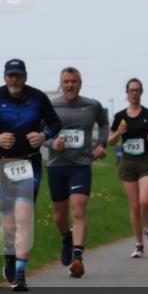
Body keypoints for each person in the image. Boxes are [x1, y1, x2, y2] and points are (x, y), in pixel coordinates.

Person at [0, 59, 61, 291]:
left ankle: (20, 274)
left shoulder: (38, 98)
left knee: (24, 216)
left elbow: (55, 123)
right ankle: (9, 255)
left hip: (29, 164)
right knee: (9, 225)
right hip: (0, 164)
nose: (14, 79)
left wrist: (44, 136)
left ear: (25, 77)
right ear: (4, 77)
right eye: (10, 75)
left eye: (18, 75)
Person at [48, 67, 109, 277]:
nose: (70, 85)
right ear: (60, 84)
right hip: (56, 166)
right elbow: (39, 132)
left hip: (81, 165)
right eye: (66, 82)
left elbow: (104, 123)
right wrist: (51, 143)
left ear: (80, 84)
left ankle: (77, 257)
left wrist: (101, 144)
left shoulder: (92, 105)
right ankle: (67, 237)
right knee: (59, 216)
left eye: (74, 81)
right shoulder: (51, 106)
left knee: (79, 210)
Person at [107, 78, 148, 258]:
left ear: (141, 92)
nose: (134, 93)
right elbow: (110, 141)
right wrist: (118, 133)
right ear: (127, 93)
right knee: (134, 207)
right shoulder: (120, 116)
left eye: (137, 90)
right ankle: (139, 244)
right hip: (127, 163)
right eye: (131, 90)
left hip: (146, 161)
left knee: (145, 201)